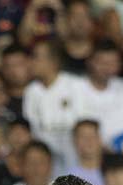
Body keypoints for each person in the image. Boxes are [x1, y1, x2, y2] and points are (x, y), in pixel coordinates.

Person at [23, 39, 85, 173]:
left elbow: (84, 123)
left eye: (36, 57)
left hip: (75, 156)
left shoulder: (76, 85)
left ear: (53, 61)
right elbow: (33, 128)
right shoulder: (30, 91)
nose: (31, 62)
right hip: (44, 162)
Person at [76, 40, 123, 145]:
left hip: (121, 151)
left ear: (120, 64)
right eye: (102, 63)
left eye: (112, 63)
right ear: (90, 61)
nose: (107, 68)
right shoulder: (74, 86)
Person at [66, 120, 107, 185]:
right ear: (74, 141)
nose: (89, 140)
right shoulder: (67, 178)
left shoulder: (115, 172)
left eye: (92, 135)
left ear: (100, 139)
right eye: (83, 136)